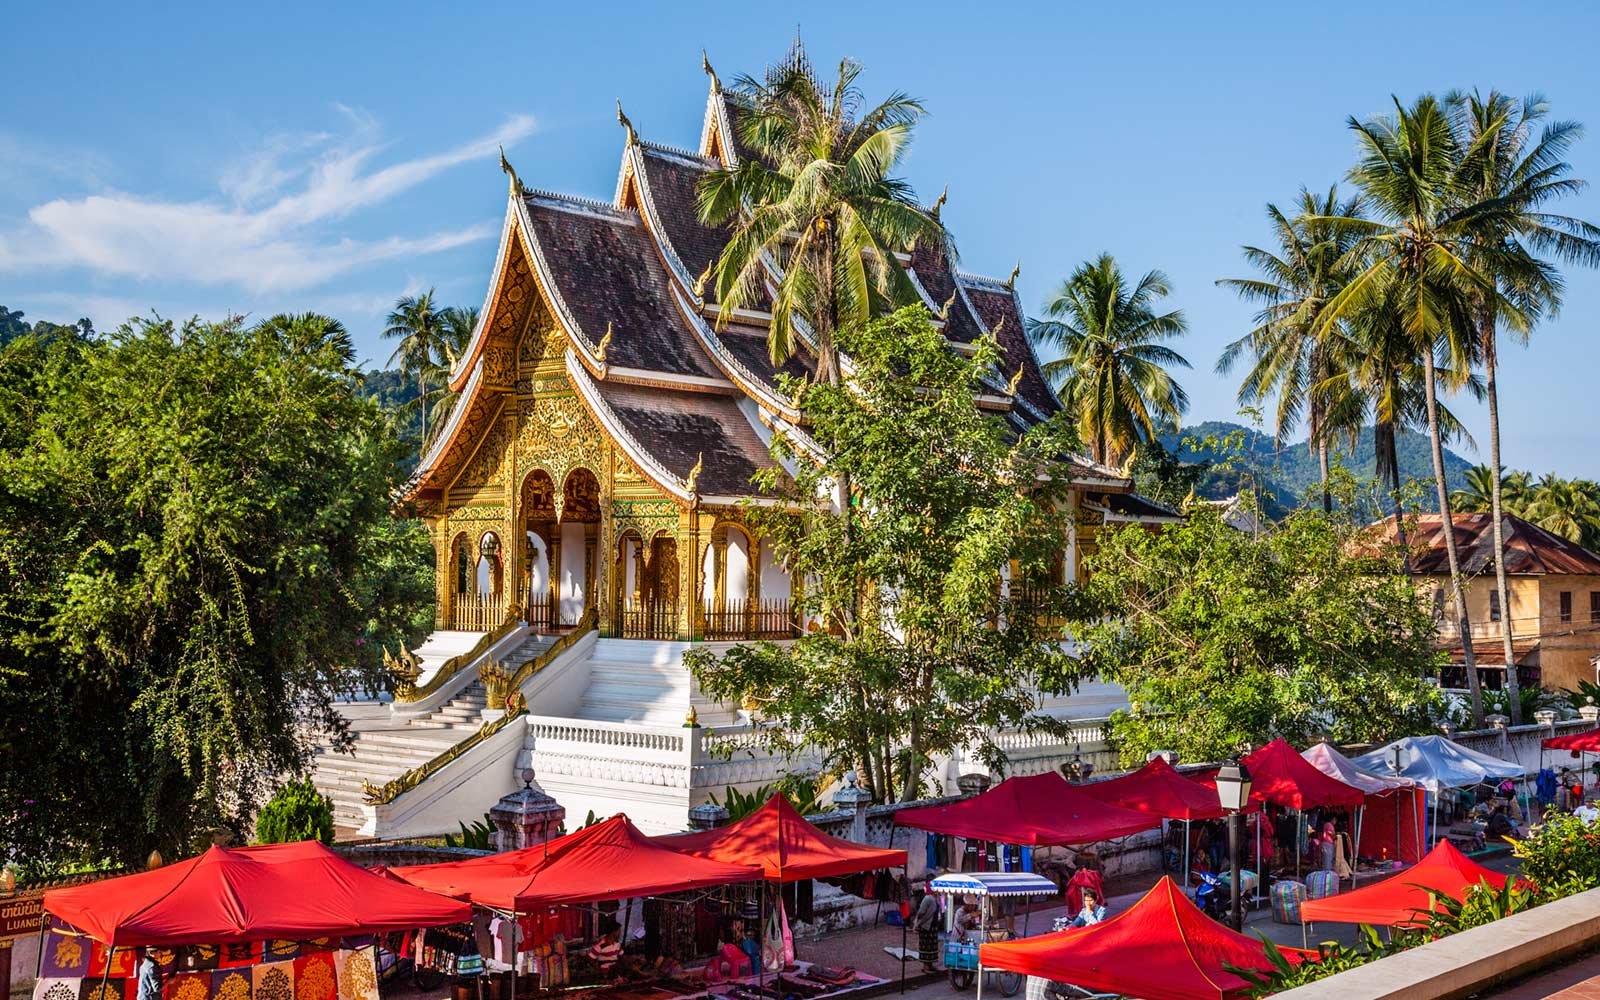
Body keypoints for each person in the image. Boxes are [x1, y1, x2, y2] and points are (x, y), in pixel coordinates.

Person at [912, 890, 941, 974]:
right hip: (926, 926)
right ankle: (925, 966)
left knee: (932, 946)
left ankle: (930, 964)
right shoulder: (928, 898)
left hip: (933, 927)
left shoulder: (936, 899)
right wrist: (917, 923)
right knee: (926, 946)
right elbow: (921, 912)